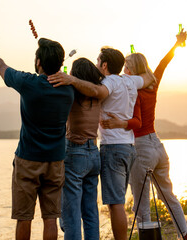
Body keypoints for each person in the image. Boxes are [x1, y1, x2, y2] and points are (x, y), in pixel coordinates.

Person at [48, 47, 155, 240]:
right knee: (94, 210)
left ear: (104, 65)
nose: (97, 65)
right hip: (126, 148)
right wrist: (141, 64)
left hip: (109, 148)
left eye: (98, 61)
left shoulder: (107, 83)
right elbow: (149, 78)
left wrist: (71, 80)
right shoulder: (129, 80)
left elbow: (97, 90)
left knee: (113, 204)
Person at [0, 35, 74, 240]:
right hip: (56, 161)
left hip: (28, 160)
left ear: (38, 62)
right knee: (51, 218)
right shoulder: (69, 89)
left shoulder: (28, 83)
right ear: (60, 63)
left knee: (24, 217)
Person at [100, 30, 187, 239]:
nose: (123, 71)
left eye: (125, 67)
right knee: (168, 196)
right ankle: (185, 234)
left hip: (141, 147)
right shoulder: (153, 83)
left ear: (131, 70)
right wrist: (176, 44)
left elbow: (134, 121)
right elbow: (162, 64)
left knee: (141, 204)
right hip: (158, 145)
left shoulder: (133, 90)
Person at [60, 58, 105, 240]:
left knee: (71, 216)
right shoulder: (98, 94)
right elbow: (92, 88)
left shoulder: (71, 94)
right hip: (94, 154)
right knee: (90, 212)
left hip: (75, 152)